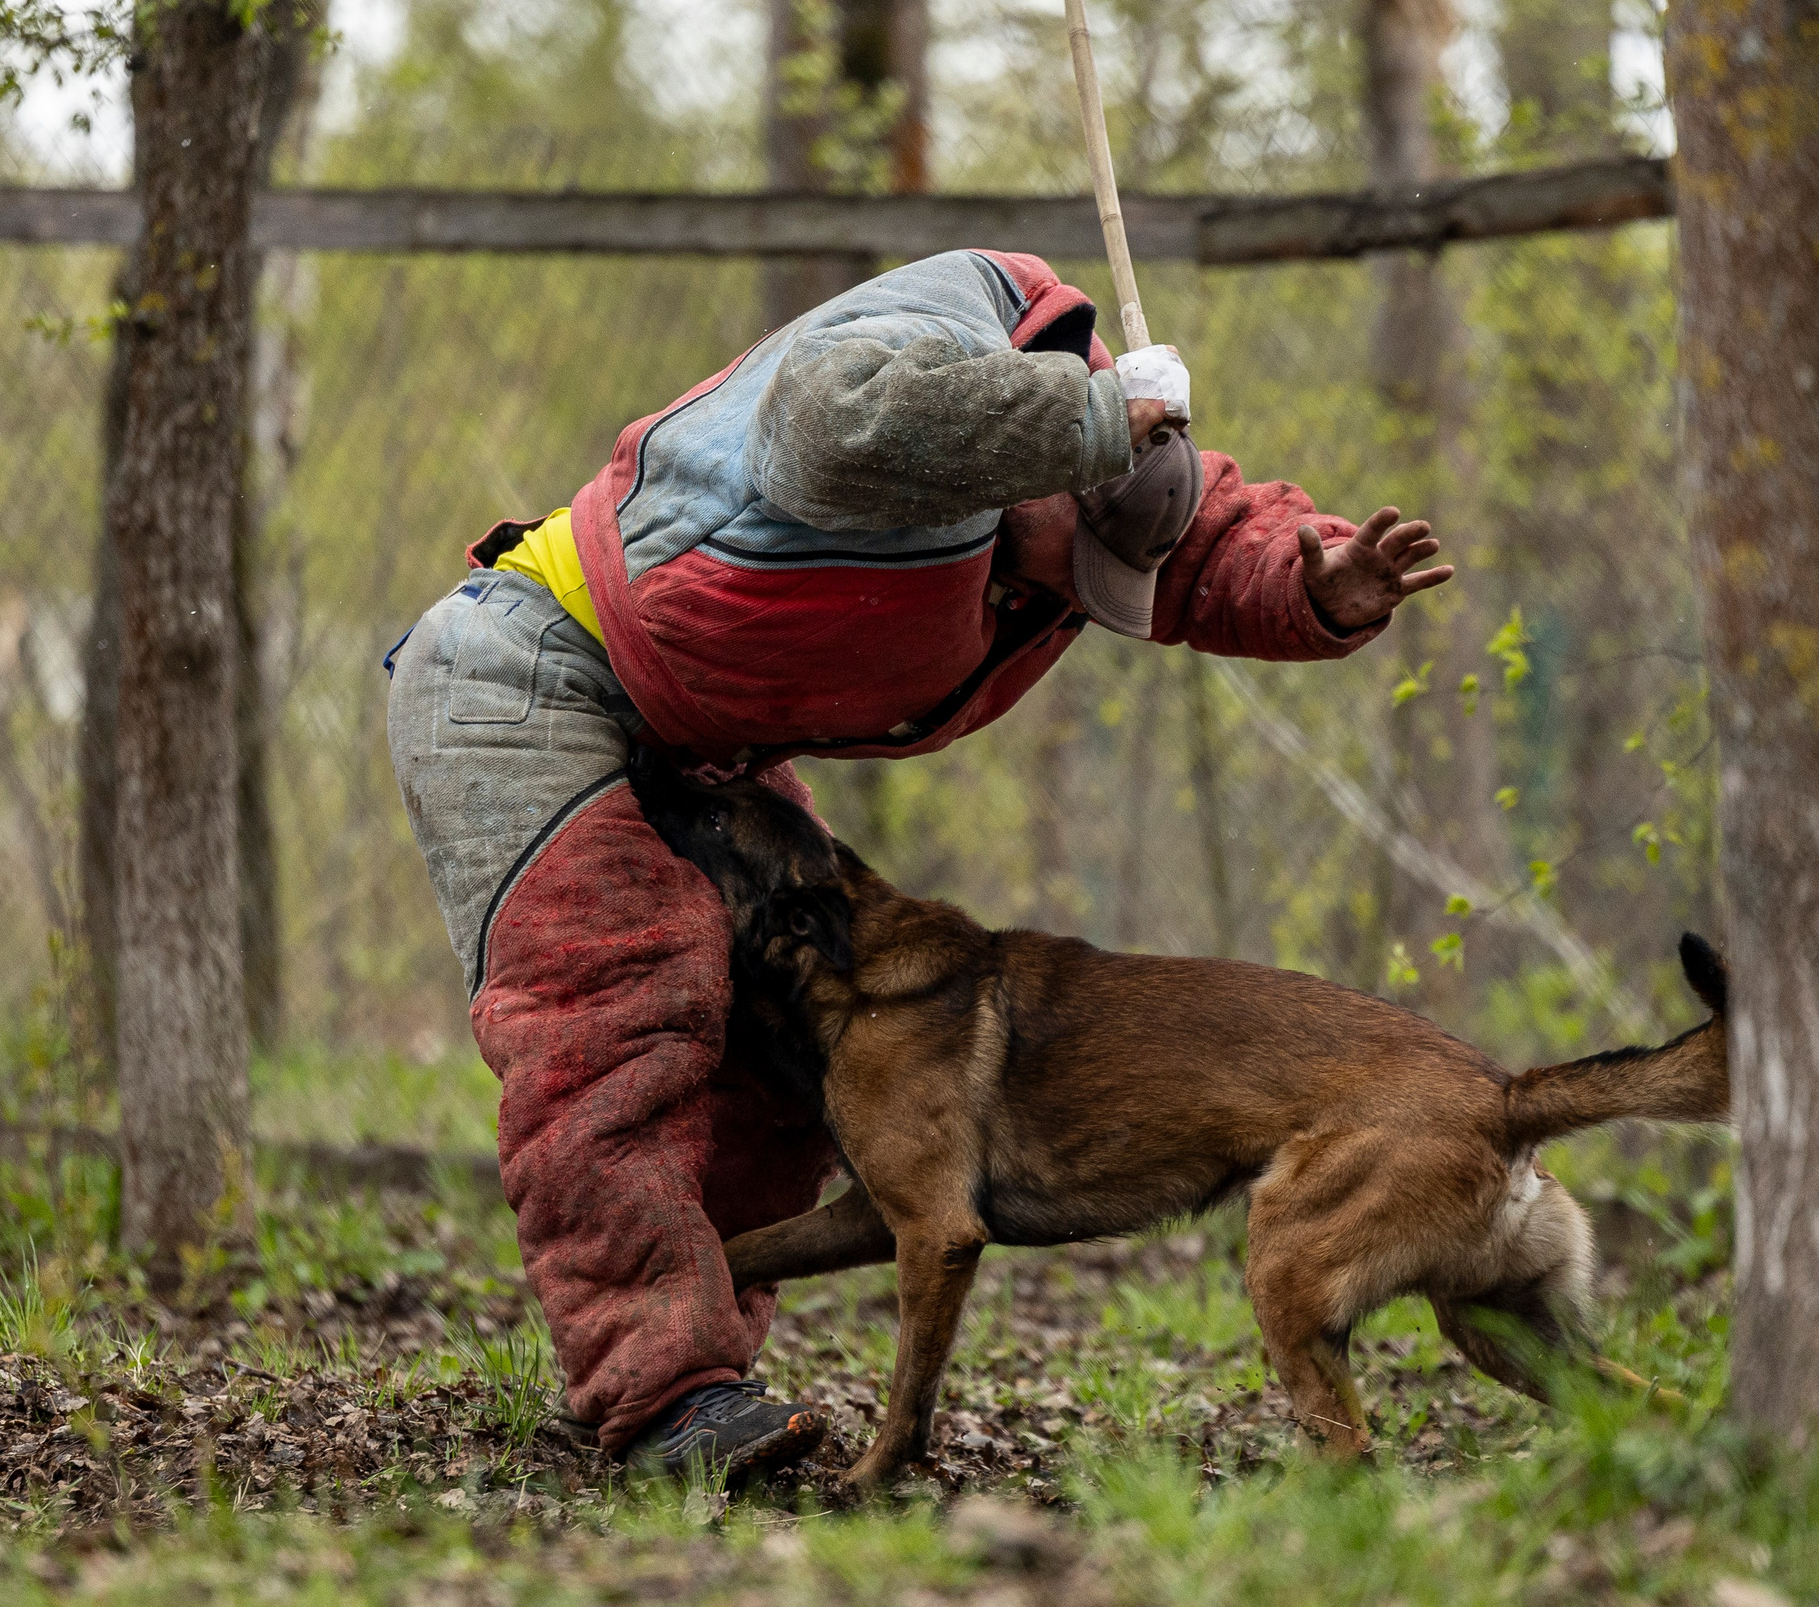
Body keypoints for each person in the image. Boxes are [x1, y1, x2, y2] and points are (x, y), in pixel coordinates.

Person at [385, 249, 1451, 1480]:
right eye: (1062, 564)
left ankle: (700, 1361)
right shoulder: (953, 336)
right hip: (535, 670)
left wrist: (1316, 582)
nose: (1052, 598)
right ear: (1045, 459)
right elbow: (825, 423)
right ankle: (662, 1394)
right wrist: (1089, 420)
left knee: (813, 1041)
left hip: (706, 734)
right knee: (621, 1008)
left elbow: (1190, 534)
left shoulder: (1083, 475)